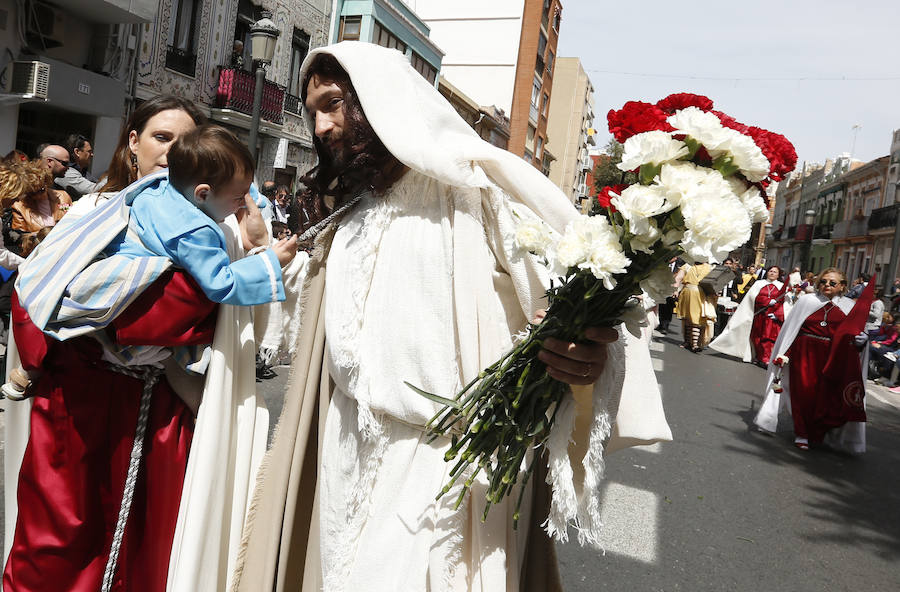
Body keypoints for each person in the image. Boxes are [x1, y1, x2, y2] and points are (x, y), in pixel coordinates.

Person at [231, 42, 671, 592]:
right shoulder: (350, 212)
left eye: (335, 104)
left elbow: (576, 300)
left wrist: (580, 356)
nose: (320, 126)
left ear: (379, 99)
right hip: (347, 452)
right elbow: (309, 315)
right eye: (313, 110)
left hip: (445, 472)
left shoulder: (481, 195)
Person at [3, 95, 273, 592]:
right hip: (76, 401)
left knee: (150, 545)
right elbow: (37, 289)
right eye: (161, 137)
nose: (173, 151)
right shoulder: (92, 210)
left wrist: (255, 248)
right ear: (132, 142)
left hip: (159, 408)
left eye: (185, 141)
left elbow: (206, 316)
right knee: (54, 541)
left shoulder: (216, 228)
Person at [2, 125, 298, 399]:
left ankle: (27, 370)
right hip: (123, 300)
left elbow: (232, 183)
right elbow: (221, 282)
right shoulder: (196, 231)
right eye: (238, 199)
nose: (241, 205)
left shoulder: (158, 188)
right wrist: (270, 261)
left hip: (93, 275)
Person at [754, 268, 869, 452]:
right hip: (804, 354)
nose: (827, 285)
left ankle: (819, 431)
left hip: (833, 356)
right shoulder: (807, 301)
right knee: (804, 393)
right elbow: (792, 329)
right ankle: (802, 433)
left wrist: (861, 341)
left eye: (832, 283)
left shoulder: (849, 306)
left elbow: (854, 333)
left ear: (842, 286)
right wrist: (785, 353)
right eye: (823, 281)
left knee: (827, 396)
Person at [711, 265, 789, 365]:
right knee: (757, 337)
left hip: (772, 317)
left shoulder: (781, 286)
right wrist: (766, 301)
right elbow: (753, 297)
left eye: (775, 272)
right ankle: (758, 356)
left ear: (778, 275)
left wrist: (778, 314)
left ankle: (766, 358)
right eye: (770, 271)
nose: (772, 273)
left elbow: (785, 303)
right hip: (759, 315)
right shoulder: (759, 284)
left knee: (768, 338)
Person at [0, 159, 72, 252]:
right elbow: (21, 239)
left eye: (41, 190)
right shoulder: (19, 206)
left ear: (47, 183)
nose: (38, 196)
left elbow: (71, 219)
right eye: (33, 193)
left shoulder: (63, 196)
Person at [675, 261, 717, 352]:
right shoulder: (710, 267)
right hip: (700, 293)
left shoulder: (687, 266)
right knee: (695, 319)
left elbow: (678, 278)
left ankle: (689, 342)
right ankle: (694, 344)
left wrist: (675, 289)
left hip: (688, 291)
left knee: (689, 319)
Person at [54, 134, 99, 200]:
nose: (92, 155)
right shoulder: (66, 172)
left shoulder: (84, 172)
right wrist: (114, 178)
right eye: (89, 151)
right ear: (77, 152)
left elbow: (98, 183)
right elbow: (93, 189)